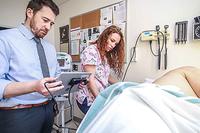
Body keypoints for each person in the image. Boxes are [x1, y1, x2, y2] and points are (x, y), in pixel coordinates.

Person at [0, 0, 64, 133]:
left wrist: (72, 82)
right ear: (30, 12)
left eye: (51, 23)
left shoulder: (50, 48)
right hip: (19, 114)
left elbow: (57, 76)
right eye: (45, 20)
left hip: (48, 109)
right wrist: (34, 86)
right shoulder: (4, 39)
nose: (48, 27)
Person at [75, 25, 125, 114]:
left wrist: (122, 85)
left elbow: (106, 75)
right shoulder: (91, 51)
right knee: (94, 124)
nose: (113, 45)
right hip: (88, 98)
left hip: (98, 95)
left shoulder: (104, 54)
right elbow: (90, 80)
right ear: (105, 36)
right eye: (112, 40)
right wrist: (100, 101)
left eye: (115, 44)